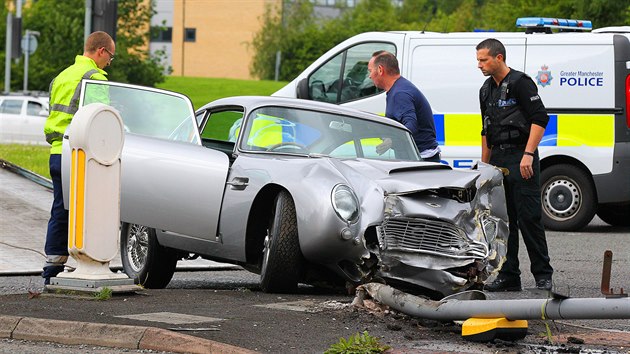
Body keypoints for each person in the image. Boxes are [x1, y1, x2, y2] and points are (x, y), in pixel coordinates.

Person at [476, 38, 553, 292]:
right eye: (478, 60)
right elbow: (485, 130)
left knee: (529, 217)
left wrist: (528, 154)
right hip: (498, 159)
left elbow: (540, 118)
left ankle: (543, 275)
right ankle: (509, 275)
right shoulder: (486, 90)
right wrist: (484, 168)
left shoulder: (521, 83)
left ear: (499, 58)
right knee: (503, 222)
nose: (479, 65)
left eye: (483, 59)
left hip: (522, 156)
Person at [42, 31, 115, 285]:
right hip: (80, 154)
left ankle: (52, 267)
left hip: (56, 152)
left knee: (61, 208)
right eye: (110, 57)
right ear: (101, 51)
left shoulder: (62, 76)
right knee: (90, 210)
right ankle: (89, 264)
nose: (108, 63)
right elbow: (101, 121)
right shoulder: (94, 78)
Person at [367, 50, 440, 162]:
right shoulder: (399, 88)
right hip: (418, 158)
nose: (369, 76)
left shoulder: (400, 93)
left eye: (370, 71)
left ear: (380, 70)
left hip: (420, 161)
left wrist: (391, 141)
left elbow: (411, 126)